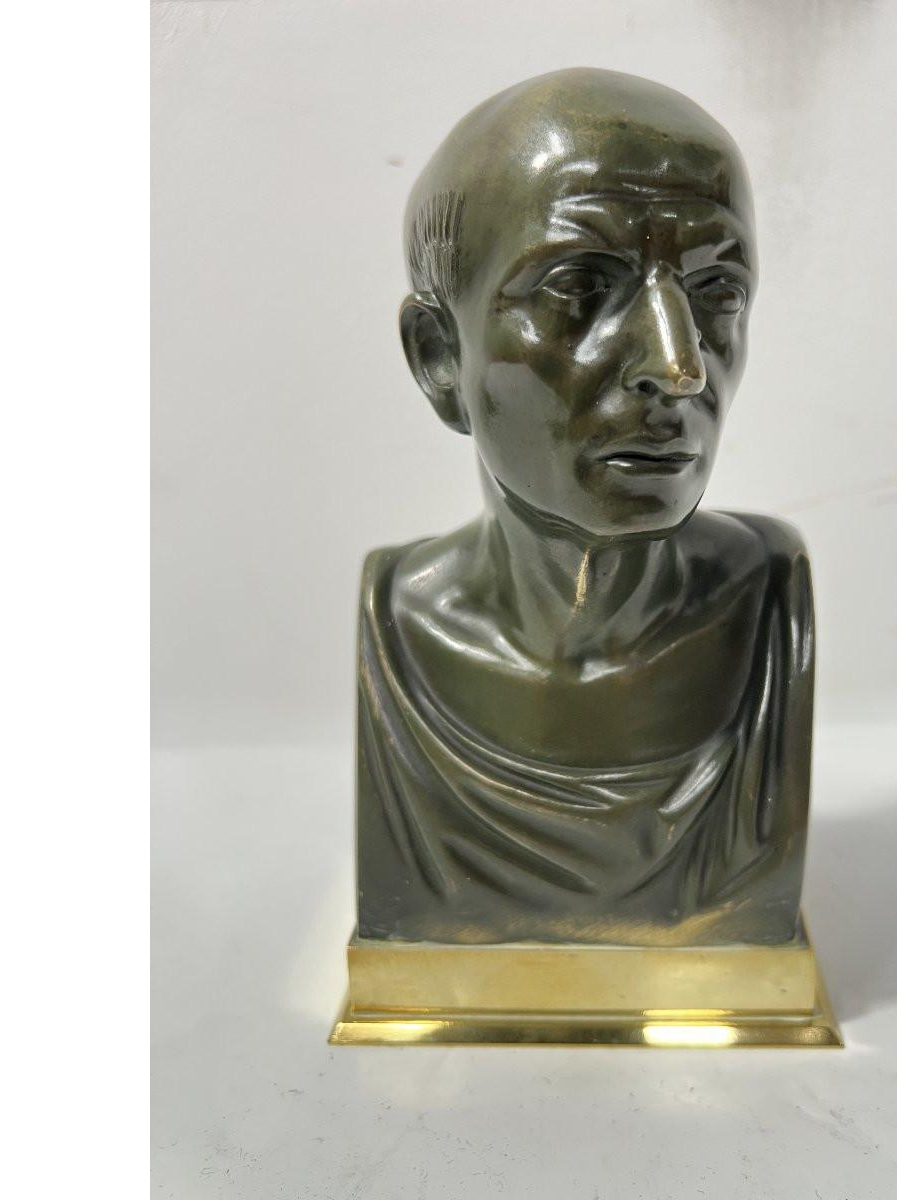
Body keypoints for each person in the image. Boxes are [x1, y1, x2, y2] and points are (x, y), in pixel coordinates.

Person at [356, 68, 815, 945]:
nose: (679, 368)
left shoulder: (771, 605)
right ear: (440, 357)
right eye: (581, 287)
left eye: (717, 293)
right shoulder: (396, 628)